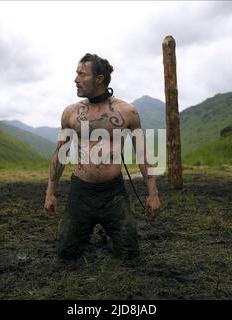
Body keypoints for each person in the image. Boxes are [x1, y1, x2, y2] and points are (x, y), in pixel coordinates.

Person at [44, 53, 161, 260]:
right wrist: (50, 193)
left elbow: (143, 154)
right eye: (76, 73)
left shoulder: (127, 112)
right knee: (66, 256)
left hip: (113, 194)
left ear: (99, 80)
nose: (76, 79)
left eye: (82, 74)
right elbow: (60, 155)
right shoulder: (70, 113)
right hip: (80, 193)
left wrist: (153, 194)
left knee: (130, 255)